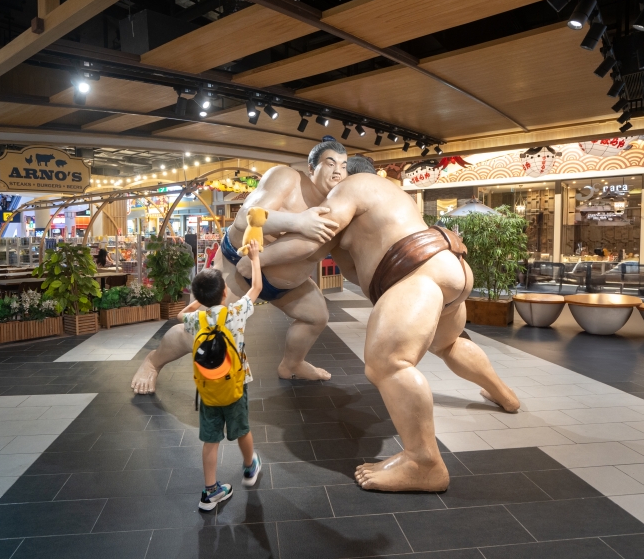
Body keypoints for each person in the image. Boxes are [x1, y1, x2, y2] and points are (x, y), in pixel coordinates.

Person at [236, 158, 518, 492]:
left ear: (350, 174)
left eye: (339, 169)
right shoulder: (389, 194)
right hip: (449, 267)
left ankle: (423, 463)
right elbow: (352, 261)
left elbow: (314, 241)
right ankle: (504, 395)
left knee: (387, 363)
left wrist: (255, 259)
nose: (334, 177)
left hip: (415, 274)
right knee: (447, 344)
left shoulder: (352, 188)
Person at [130, 140, 347, 394]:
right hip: (237, 269)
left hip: (289, 286)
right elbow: (245, 217)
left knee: (316, 316)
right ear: (312, 167)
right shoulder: (286, 178)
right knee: (201, 331)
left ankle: (292, 364)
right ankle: (153, 362)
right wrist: (297, 221)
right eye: (330, 163)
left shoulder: (339, 205)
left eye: (343, 166)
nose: (337, 172)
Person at [180, 240, 263, 510]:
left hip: (208, 389)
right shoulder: (235, 313)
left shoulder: (196, 321)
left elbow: (181, 315)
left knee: (210, 439)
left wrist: (198, 303)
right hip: (236, 384)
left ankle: (211, 491)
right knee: (242, 430)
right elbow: (257, 289)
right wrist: (254, 257)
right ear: (225, 292)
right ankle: (250, 468)